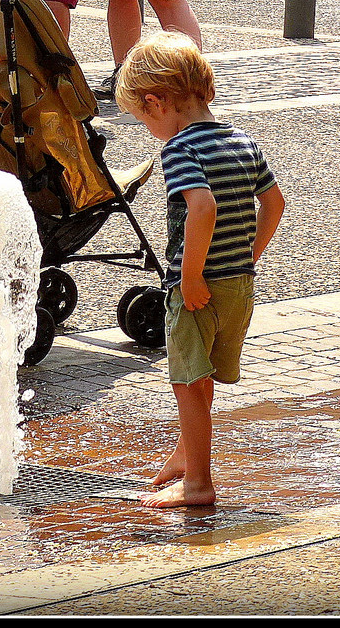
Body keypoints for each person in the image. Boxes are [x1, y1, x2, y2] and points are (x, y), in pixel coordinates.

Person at [114, 31, 286, 507]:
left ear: (156, 102)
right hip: (238, 285)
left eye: (142, 117)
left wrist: (189, 276)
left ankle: (198, 486)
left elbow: (202, 208)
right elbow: (274, 203)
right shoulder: (243, 141)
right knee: (202, 374)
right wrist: (249, 256)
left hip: (197, 285)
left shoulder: (178, 149)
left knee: (187, 383)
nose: (148, 127)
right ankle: (185, 456)